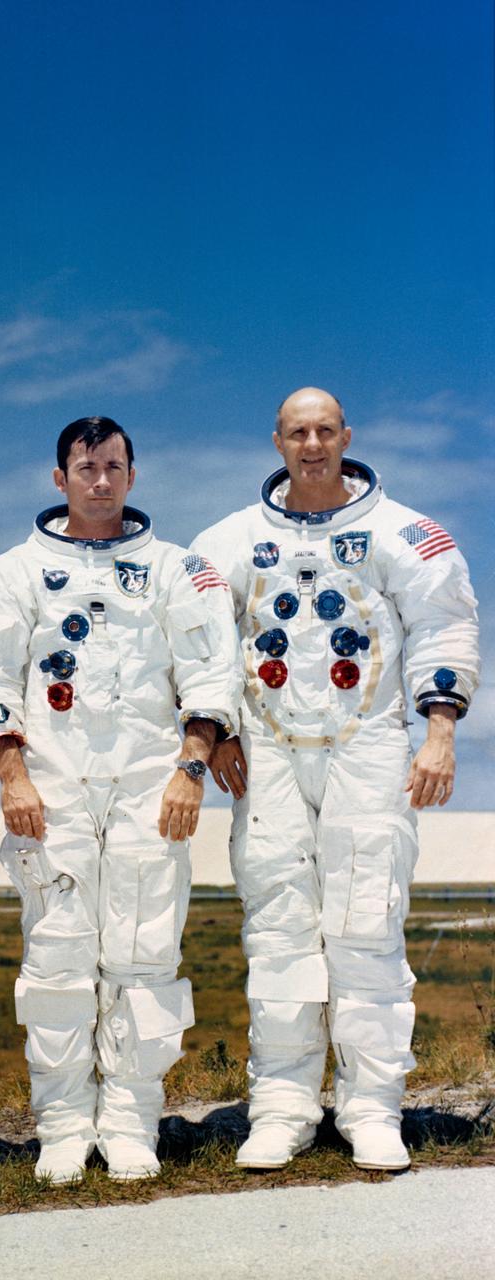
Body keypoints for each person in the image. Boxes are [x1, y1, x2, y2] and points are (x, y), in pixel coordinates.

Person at [192, 387, 480, 1172]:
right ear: (276, 441)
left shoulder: (405, 534)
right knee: (280, 926)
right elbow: (197, 641)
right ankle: (282, 1104)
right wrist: (213, 733)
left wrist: (441, 733)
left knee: (365, 924)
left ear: (346, 436)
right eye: (297, 432)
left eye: (325, 431)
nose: (312, 444)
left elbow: (445, 625)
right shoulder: (229, 541)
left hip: (369, 744)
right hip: (270, 753)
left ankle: (371, 1106)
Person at [0, 417, 242, 1184]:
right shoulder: (8, 573)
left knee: (146, 953)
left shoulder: (178, 570)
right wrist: (11, 776)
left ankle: (129, 1122)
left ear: (132, 475)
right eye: (85, 467)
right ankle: (60, 1126)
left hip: (151, 783)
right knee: (57, 958)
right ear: (59, 478)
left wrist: (192, 766)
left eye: (114, 466)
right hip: (51, 784)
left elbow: (211, 673)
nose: (100, 480)